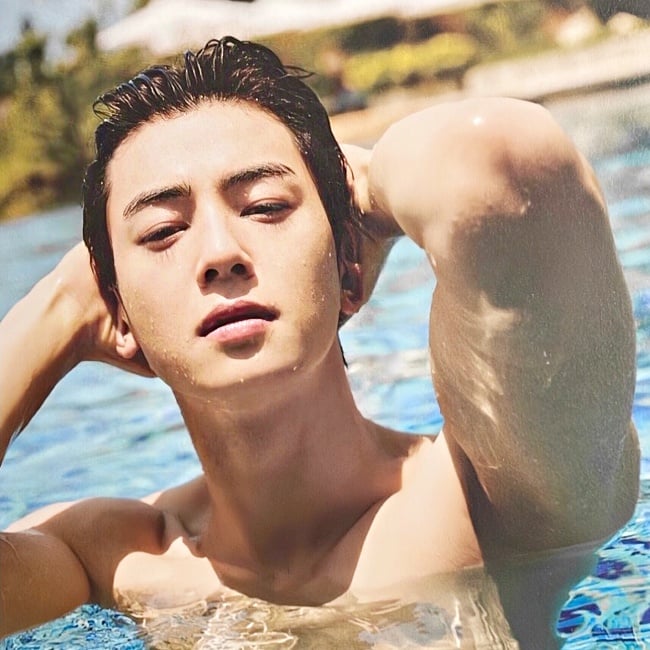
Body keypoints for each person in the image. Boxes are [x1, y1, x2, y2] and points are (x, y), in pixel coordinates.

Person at [0, 37, 640, 647]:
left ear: (350, 270)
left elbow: (502, 163)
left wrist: (360, 190)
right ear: (119, 316)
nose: (220, 253)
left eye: (266, 207)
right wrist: (62, 306)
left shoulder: (493, 500)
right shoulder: (115, 560)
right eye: (163, 231)